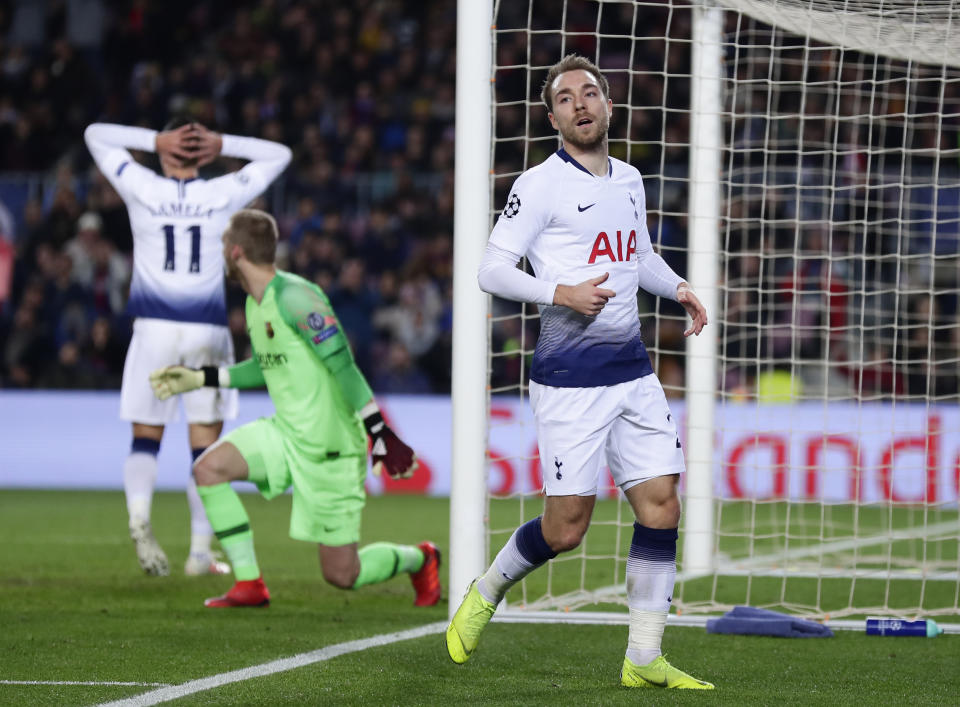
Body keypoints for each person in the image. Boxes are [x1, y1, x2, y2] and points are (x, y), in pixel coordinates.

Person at [446, 55, 713, 690]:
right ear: (552, 117)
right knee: (567, 527)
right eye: (566, 98)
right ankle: (486, 591)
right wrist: (557, 291)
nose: (580, 104)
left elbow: (638, 254)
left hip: (634, 373)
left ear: (609, 105)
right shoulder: (539, 185)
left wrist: (677, 288)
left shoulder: (630, 179)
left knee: (661, 504)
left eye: (590, 92)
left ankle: (643, 657)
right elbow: (490, 269)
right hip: (570, 380)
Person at [147, 209, 441, 609]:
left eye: (221, 247)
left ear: (235, 252)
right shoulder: (256, 304)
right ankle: (250, 584)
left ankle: (421, 559)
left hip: (331, 449)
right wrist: (202, 378)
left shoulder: (295, 298)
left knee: (342, 574)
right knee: (209, 469)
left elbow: (343, 364)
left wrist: (379, 431)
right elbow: (266, 367)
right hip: (286, 435)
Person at [84, 118, 292, 577]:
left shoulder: (142, 187)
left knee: (145, 437)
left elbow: (95, 134)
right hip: (205, 330)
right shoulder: (220, 193)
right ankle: (200, 552)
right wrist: (224, 143)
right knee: (204, 447)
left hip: (153, 328)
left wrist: (152, 141)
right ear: (201, 155)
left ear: (164, 152)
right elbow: (280, 154)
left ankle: (140, 518)